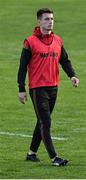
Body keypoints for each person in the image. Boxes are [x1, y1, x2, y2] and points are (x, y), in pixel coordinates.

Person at [17, 8, 79, 166]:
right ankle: (54, 158)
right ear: (39, 22)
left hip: (53, 87)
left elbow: (64, 60)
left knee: (42, 121)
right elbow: (22, 66)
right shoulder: (30, 41)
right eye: (46, 19)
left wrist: (72, 75)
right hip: (38, 89)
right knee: (46, 122)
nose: (50, 21)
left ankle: (31, 153)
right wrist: (21, 88)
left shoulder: (58, 40)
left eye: (51, 18)